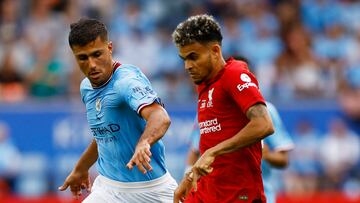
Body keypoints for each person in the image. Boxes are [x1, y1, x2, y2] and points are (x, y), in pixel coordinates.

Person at [58, 18, 177, 203]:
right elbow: (105, 135)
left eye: (97, 54)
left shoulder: (126, 82)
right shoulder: (86, 88)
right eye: (83, 57)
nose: (91, 65)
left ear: (110, 48)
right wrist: (81, 168)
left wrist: (144, 143)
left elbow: (160, 117)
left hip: (152, 191)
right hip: (108, 189)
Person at [172, 14, 274, 203]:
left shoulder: (234, 75)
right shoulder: (203, 84)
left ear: (215, 50)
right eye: (184, 59)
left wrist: (213, 152)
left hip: (240, 196)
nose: (187, 66)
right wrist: (190, 177)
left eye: (193, 57)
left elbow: (264, 124)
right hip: (206, 192)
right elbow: (212, 139)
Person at [184, 101, 294, 203]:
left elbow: (283, 159)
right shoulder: (206, 108)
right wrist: (188, 180)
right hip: (216, 194)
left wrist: (267, 155)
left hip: (257, 194)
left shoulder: (265, 110)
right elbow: (194, 151)